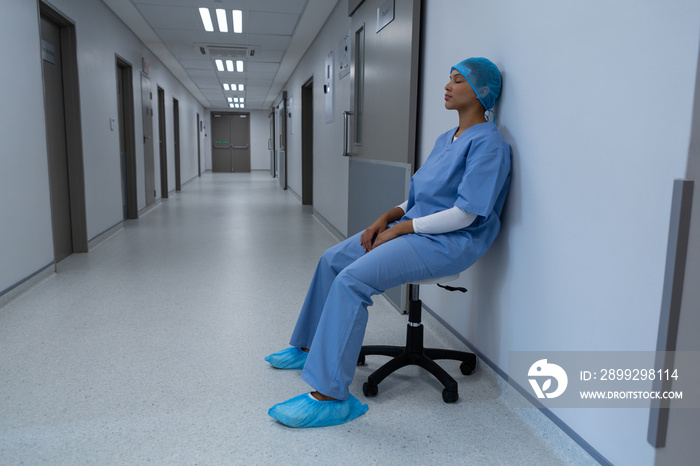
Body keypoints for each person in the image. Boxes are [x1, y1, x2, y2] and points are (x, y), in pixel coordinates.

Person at [266, 57, 512, 428]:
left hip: (450, 241)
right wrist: (386, 218)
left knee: (353, 280)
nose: (447, 86)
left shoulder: (491, 146)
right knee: (332, 260)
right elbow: (417, 201)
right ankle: (306, 347)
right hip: (416, 228)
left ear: (482, 93)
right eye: (448, 79)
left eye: (458, 80)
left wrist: (402, 230)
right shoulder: (447, 139)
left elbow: (466, 215)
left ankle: (331, 397)